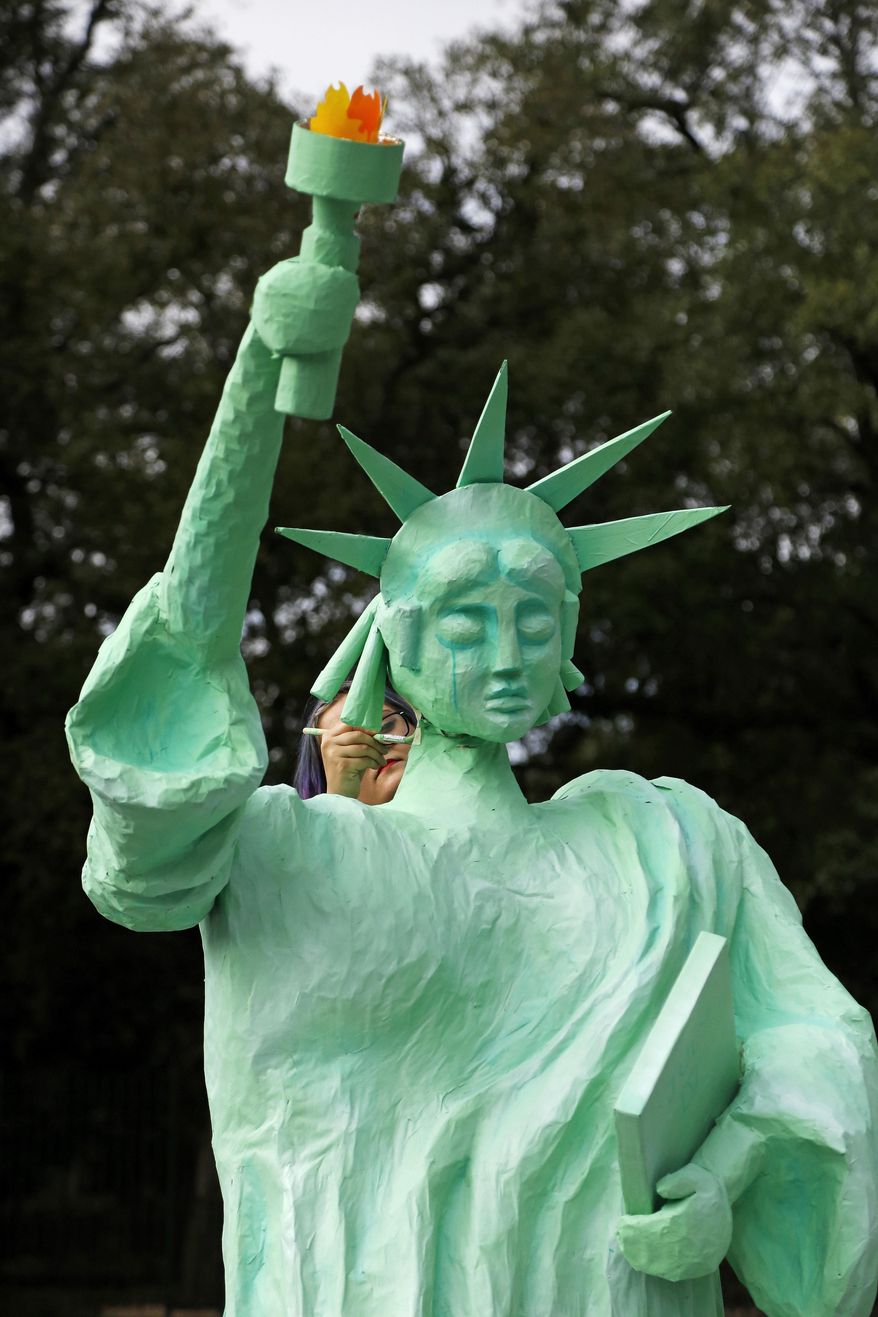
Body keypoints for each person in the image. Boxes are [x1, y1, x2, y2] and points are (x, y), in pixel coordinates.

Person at [66, 259, 878, 1316]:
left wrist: (721, 1180)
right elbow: (162, 764)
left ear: (570, 640)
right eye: (462, 620)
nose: (505, 651)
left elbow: (814, 1041)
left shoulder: (672, 846)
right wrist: (258, 374)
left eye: (534, 621)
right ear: (389, 640)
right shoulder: (291, 856)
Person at [293, 682, 416, 803]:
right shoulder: (336, 816)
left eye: (386, 726)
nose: (373, 745)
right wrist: (340, 800)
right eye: (350, 746)